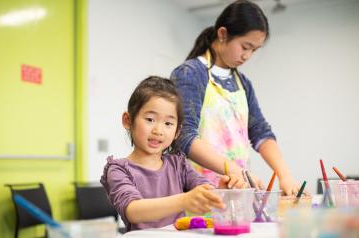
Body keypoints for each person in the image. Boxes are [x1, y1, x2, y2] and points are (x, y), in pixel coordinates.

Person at [170, 0, 299, 195]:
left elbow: (261, 132)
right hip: (197, 191)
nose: (247, 56)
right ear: (223, 34)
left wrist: (285, 175)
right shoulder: (190, 74)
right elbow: (183, 136)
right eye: (245, 46)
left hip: (236, 191)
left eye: (254, 50)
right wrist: (235, 170)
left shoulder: (243, 84)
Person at [100, 76, 232, 232]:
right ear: (128, 120)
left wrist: (221, 192)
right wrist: (183, 200)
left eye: (168, 123)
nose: (158, 130)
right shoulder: (118, 170)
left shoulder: (179, 165)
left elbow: (203, 190)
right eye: (150, 119)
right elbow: (133, 211)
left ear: (177, 132)